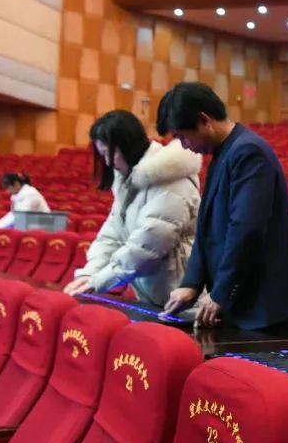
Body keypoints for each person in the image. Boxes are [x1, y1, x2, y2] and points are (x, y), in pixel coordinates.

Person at [158, 82, 288, 334]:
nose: (184, 145)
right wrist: (192, 283)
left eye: (182, 136)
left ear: (204, 120)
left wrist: (221, 293)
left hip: (266, 305)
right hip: (243, 299)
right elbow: (206, 228)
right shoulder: (223, 153)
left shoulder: (249, 152)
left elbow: (246, 230)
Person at [63, 110, 202, 308]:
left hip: (184, 299)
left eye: (110, 153)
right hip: (156, 297)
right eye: (103, 155)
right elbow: (112, 235)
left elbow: (146, 248)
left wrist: (98, 281)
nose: (108, 162)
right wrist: (89, 274)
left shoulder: (171, 181)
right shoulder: (129, 181)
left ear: (128, 145)